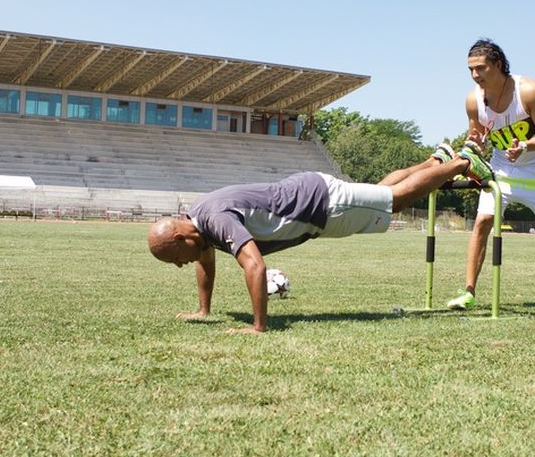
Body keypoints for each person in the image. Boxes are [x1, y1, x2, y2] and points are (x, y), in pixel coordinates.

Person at [147, 143, 495, 333]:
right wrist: (204, 311)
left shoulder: (215, 218)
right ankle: (437, 159)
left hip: (323, 205)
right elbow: (205, 261)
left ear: (180, 236)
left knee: (395, 201)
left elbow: (254, 265)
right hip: (313, 198)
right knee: (381, 191)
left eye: (175, 258)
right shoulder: (199, 219)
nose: (180, 265)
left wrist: (258, 327)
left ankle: (463, 164)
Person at [445, 38, 535, 312]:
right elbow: (475, 135)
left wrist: (525, 145)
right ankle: (468, 293)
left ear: (498, 65)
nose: (475, 75)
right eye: (470, 70)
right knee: (482, 223)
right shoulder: (472, 99)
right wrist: (472, 148)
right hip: (502, 167)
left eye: (481, 68)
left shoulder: (529, 91)